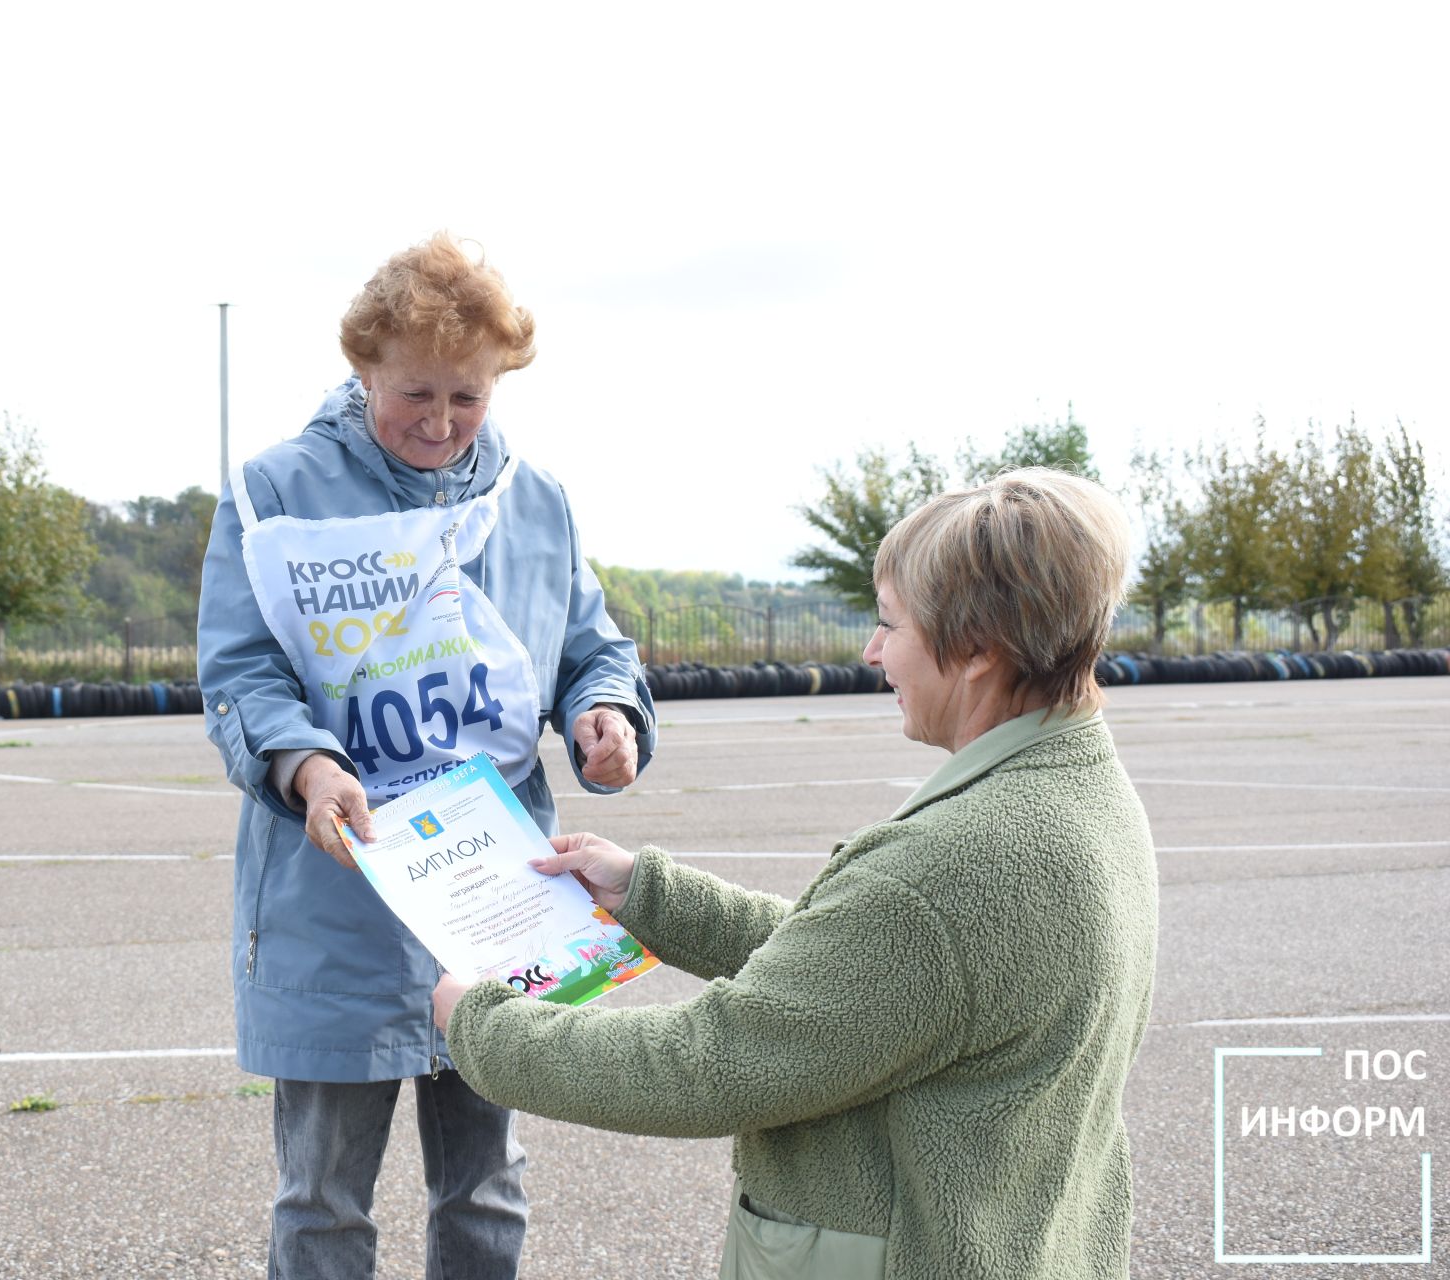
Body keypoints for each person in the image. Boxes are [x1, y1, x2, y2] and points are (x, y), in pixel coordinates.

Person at [435, 468, 1159, 1280]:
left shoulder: (954, 866)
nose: (872, 651)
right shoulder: (1079, 791)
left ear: (980, 650)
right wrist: (650, 897)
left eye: (891, 625)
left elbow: (714, 1062)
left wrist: (484, 1028)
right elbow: (874, 980)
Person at [197, 232, 656, 1279]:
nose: (441, 423)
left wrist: (606, 713)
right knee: (322, 1199)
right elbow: (241, 669)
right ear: (363, 367)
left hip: (497, 891)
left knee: (488, 1187)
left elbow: (592, 645)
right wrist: (308, 766)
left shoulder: (533, 503)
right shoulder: (275, 494)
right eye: (417, 393)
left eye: (469, 397)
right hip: (337, 894)